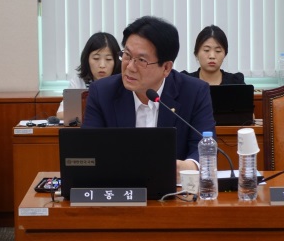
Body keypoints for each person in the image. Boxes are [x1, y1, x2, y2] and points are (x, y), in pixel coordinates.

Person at [82, 15, 216, 178]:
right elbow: (88, 150)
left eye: (141, 60)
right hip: (120, 187)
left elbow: (203, 147)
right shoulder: (102, 92)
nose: (130, 67)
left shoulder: (194, 92)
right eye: (127, 55)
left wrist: (187, 167)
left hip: (174, 190)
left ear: (166, 68)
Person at [56, 32, 121, 119]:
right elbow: (60, 114)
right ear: (87, 59)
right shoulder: (78, 82)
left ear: (116, 61)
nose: (102, 65)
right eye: (96, 58)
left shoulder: (123, 83)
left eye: (108, 59)